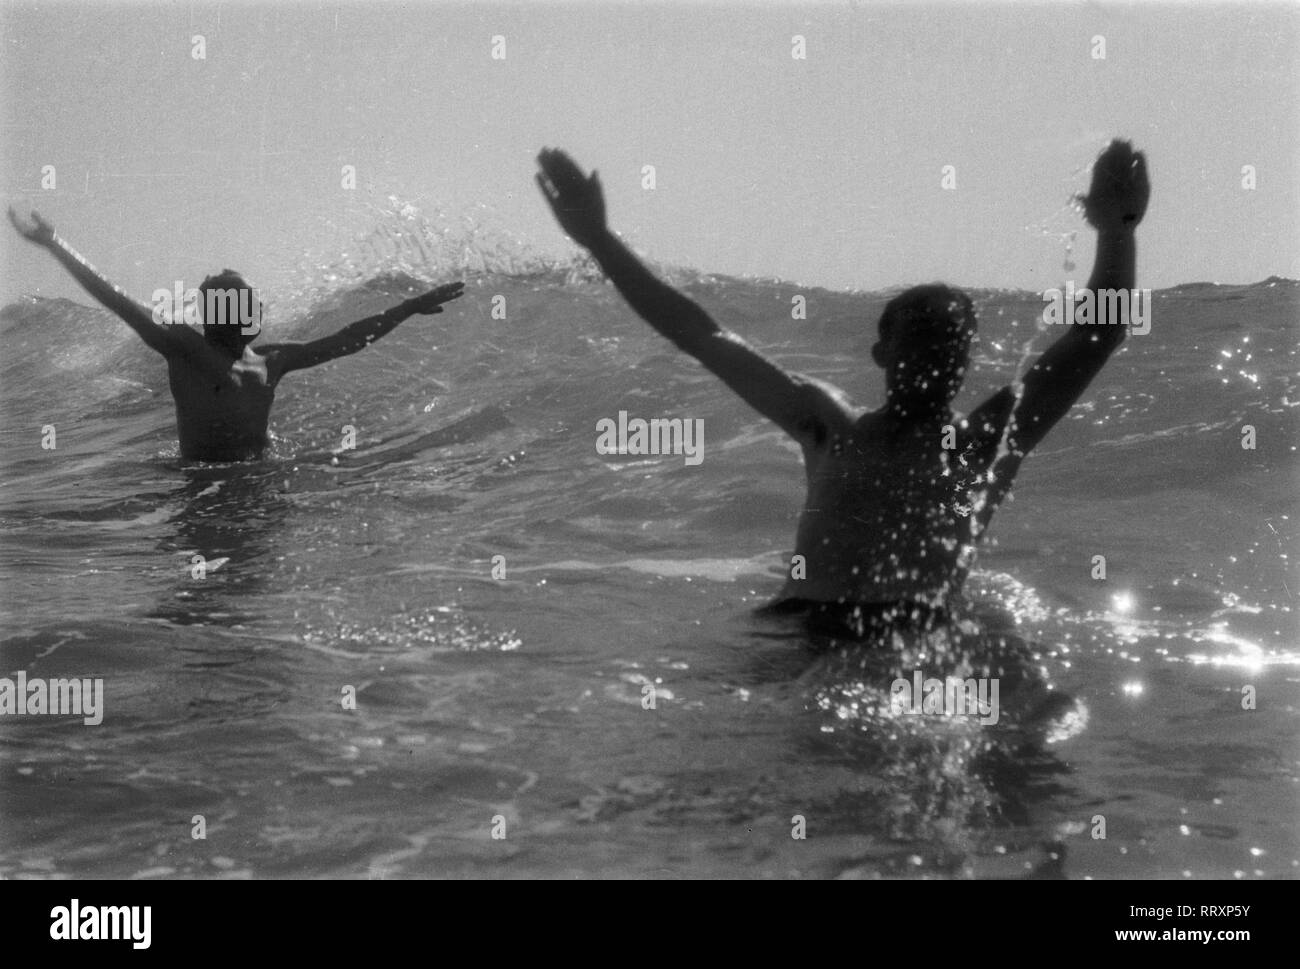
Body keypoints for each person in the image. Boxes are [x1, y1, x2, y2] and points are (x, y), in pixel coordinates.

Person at [535, 140, 1149, 640]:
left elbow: (1099, 335)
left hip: (918, 633)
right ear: (882, 351)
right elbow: (699, 334)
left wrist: (1116, 229)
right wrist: (599, 241)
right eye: (923, 335)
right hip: (801, 626)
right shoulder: (827, 425)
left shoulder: (983, 445)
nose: (939, 350)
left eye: (952, 341)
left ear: (967, 359)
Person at [8, 208, 463, 462]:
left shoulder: (270, 360)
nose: (251, 308)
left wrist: (407, 308)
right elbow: (117, 300)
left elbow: (346, 340)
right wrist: (54, 244)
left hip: (257, 480)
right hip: (201, 485)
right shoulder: (185, 348)